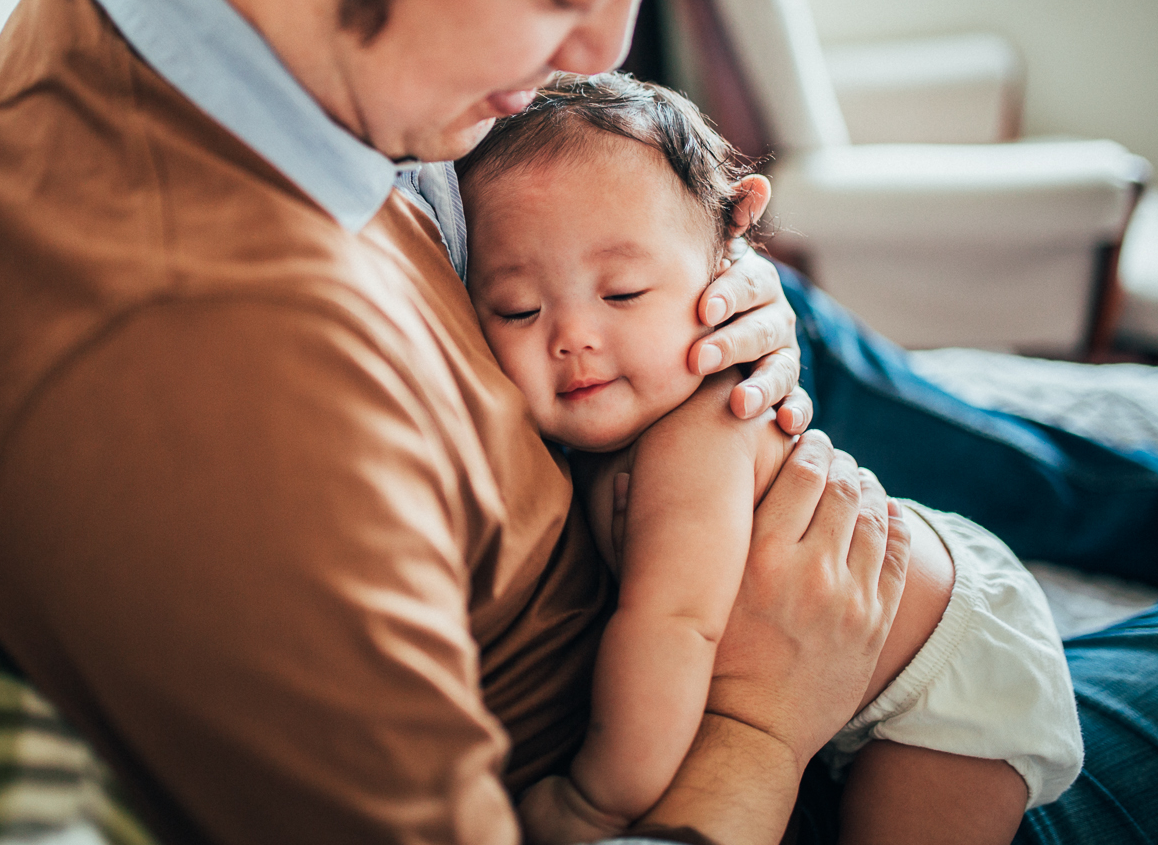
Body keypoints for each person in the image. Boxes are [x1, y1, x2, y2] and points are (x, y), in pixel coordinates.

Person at [0, 0, 1158, 842]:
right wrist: (766, 722)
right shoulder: (223, 380)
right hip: (762, 759)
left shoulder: (233, 39)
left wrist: (725, 305)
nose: (601, 50)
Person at [456, 73, 1081, 845]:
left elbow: (676, 629)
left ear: (729, 265)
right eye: (518, 308)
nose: (573, 335)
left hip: (952, 663)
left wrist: (597, 800)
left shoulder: (703, 430)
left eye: (622, 293)